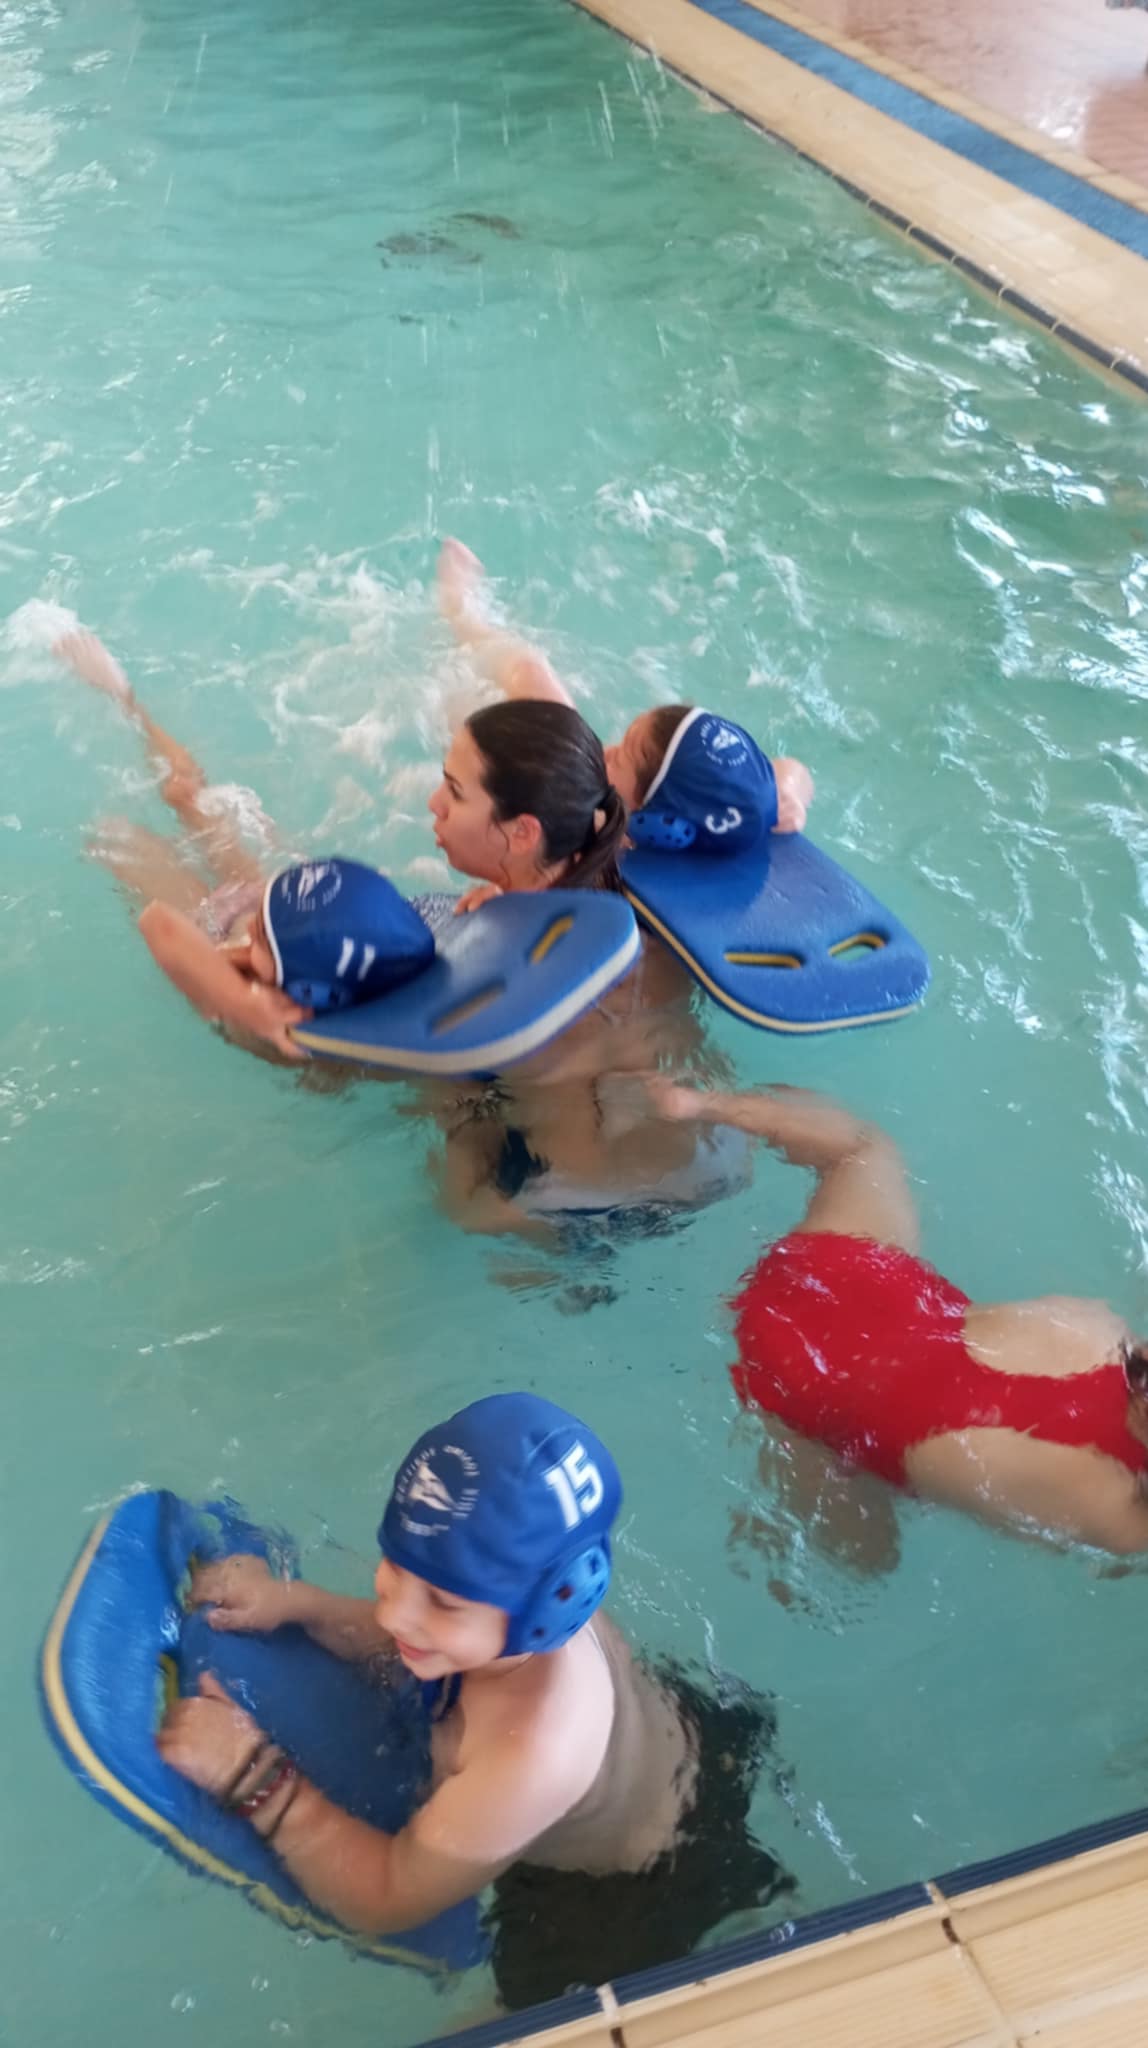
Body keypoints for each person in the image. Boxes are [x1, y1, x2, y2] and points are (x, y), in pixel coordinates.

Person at [157, 1393, 791, 2005]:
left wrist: (253, 1776)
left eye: (442, 1601)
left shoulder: (532, 1751)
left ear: (547, 1614)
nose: (395, 1613)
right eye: (396, 1565)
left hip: (632, 1886)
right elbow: (408, 1637)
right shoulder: (516, 1608)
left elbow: (387, 1897)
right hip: (680, 1735)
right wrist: (299, 1605)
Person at [648, 1080, 1148, 1559]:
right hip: (794, 1385)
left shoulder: (1098, 1330)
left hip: (834, 1274)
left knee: (864, 1150)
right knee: (867, 1557)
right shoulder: (1113, 1517)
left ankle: (696, 1103)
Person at [437, 536, 815, 847]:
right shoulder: (729, 804)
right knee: (530, 672)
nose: (608, 750)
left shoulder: (588, 833)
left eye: (621, 757)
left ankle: (463, 612)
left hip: (572, 803)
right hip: (572, 778)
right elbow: (789, 770)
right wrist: (787, 791)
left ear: (655, 824)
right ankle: (464, 613)